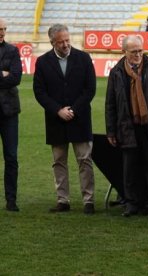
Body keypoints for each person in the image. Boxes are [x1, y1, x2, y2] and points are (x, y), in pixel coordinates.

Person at [33, 24, 96, 214]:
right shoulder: (42, 62)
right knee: (59, 161)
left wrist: (73, 110)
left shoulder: (83, 58)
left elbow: (90, 89)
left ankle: (89, 201)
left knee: (85, 159)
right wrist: (57, 110)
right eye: (61, 42)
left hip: (80, 117)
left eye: (67, 40)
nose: (66, 44)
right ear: (52, 42)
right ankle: (63, 200)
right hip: (55, 120)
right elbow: (40, 91)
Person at [105, 35, 148, 218]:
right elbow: (110, 103)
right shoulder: (116, 71)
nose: (138, 54)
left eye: (140, 50)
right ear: (124, 52)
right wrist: (111, 130)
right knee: (130, 169)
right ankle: (132, 204)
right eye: (134, 51)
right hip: (127, 127)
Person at [0, 18, 22, 212]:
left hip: (9, 112)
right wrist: (2, 74)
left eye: (4, 29)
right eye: (0, 29)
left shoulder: (12, 50)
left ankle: (11, 200)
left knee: (11, 157)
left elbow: (16, 78)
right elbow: (7, 77)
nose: (2, 32)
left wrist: (9, 76)